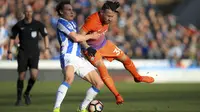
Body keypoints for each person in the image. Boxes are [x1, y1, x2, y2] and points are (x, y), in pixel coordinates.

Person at [80, 1, 155, 104]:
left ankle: (138, 77)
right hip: (91, 50)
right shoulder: (92, 21)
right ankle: (117, 95)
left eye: (112, 16)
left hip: (104, 44)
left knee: (126, 59)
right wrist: (87, 47)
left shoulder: (107, 19)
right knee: (103, 69)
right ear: (101, 12)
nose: (110, 19)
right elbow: (80, 36)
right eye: (108, 16)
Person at [53, 1, 104, 112]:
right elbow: (76, 38)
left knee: (99, 83)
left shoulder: (73, 24)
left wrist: (87, 47)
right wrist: (92, 35)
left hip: (79, 58)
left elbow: (80, 39)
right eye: (68, 10)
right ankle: (56, 109)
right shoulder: (61, 22)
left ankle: (82, 108)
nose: (72, 12)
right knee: (69, 79)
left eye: (72, 10)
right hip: (68, 56)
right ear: (61, 12)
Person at [7, 5, 50, 106]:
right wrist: (9, 52)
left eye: (30, 11)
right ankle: (18, 99)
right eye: (26, 12)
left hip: (34, 53)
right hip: (22, 53)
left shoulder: (38, 24)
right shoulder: (19, 25)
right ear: (24, 12)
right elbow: (12, 38)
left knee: (34, 76)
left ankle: (26, 93)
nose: (28, 13)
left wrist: (47, 49)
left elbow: (45, 36)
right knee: (21, 76)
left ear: (32, 12)